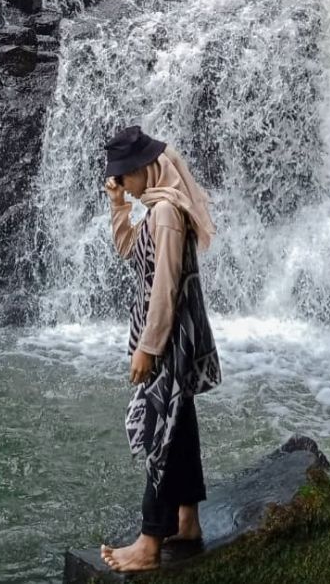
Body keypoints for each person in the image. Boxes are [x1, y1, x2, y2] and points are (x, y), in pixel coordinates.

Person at [99, 125, 222, 573]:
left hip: (169, 338)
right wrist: (118, 206)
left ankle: (150, 543)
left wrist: (148, 347)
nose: (121, 183)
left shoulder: (167, 212)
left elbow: (165, 288)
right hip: (176, 334)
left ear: (144, 171)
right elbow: (133, 253)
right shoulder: (157, 208)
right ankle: (186, 521)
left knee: (159, 430)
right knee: (180, 421)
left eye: (124, 178)